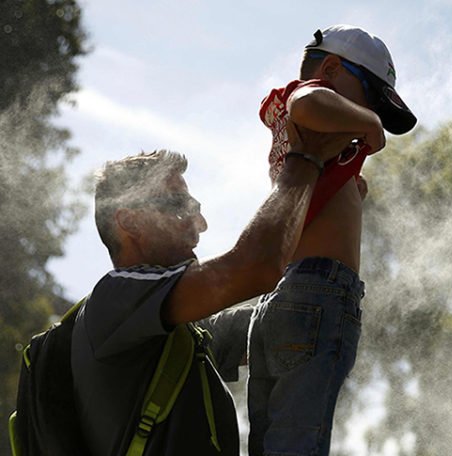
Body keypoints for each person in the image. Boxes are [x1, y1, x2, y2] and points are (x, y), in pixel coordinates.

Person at [70, 125, 356, 456]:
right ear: (130, 222)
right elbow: (254, 268)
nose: (201, 224)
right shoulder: (115, 299)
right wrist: (306, 159)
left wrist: (330, 216)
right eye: (181, 206)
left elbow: (294, 322)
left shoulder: (183, 336)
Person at [247, 24, 417, 456]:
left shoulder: (317, 142)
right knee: (299, 438)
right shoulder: (309, 97)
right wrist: (370, 123)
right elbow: (310, 100)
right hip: (321, 292)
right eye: (370, 98)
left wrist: (351, 188)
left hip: (285, 293)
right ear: (333, 68)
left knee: (272, 436)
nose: (369, 114)